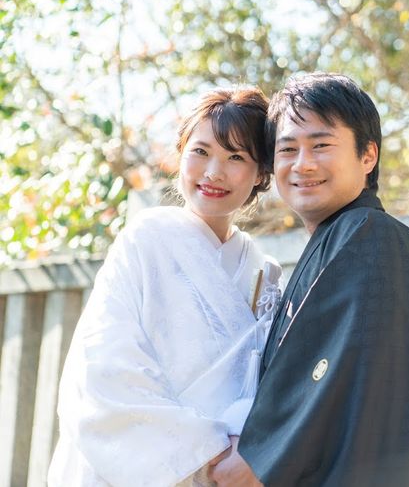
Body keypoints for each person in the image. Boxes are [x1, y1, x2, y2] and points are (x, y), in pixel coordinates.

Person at [210, 73, 409, 486]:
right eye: (288, 149)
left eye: (321, 145)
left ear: (368, 156)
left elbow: (340, 369)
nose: (302, 164)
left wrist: (258, 456)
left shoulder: (371, 234)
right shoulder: (339, 238)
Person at [48, 87, 282, 487]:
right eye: (201, 151)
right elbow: (105, 367)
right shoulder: (145, 240)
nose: (213, 172)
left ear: (262, 173)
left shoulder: (265, 273)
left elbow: (268, 387)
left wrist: (244, 450)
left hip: (229, 470)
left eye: (236, 157)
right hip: (155, 465)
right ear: (181, 153)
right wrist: (206, 449)